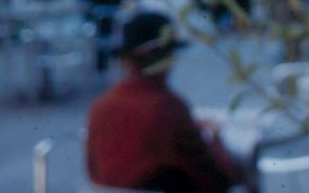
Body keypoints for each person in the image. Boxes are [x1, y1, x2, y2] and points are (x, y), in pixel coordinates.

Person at [86, 12, 248, 192]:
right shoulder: (167, 108)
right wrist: (216, 138)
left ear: (126, 60)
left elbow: (95, 173)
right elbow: (218, 179)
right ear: (165, 58)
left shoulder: (101, 106)